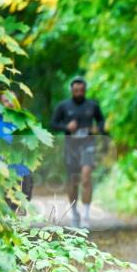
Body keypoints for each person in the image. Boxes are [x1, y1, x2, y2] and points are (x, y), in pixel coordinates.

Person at [50, 77, 106, 229]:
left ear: (85, 90)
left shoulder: (93, 105)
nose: (79, 93)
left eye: (81, 90)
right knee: (73, 182)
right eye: (76, 90)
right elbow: (53, 124)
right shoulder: (63, 106)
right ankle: (75, 213)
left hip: (88, 144)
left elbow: (101, 122)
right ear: (72, 91)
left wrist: (97, 129)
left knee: (86, 177)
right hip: (71, 147)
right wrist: (67, 127)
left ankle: (86, 215)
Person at [0, 87, 33, 205]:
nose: (10, 103)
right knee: (2, 209)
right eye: (6, 101)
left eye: (13, 99)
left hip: (22, 172)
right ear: (0, 104)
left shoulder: (26, 121)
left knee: (20, 211)